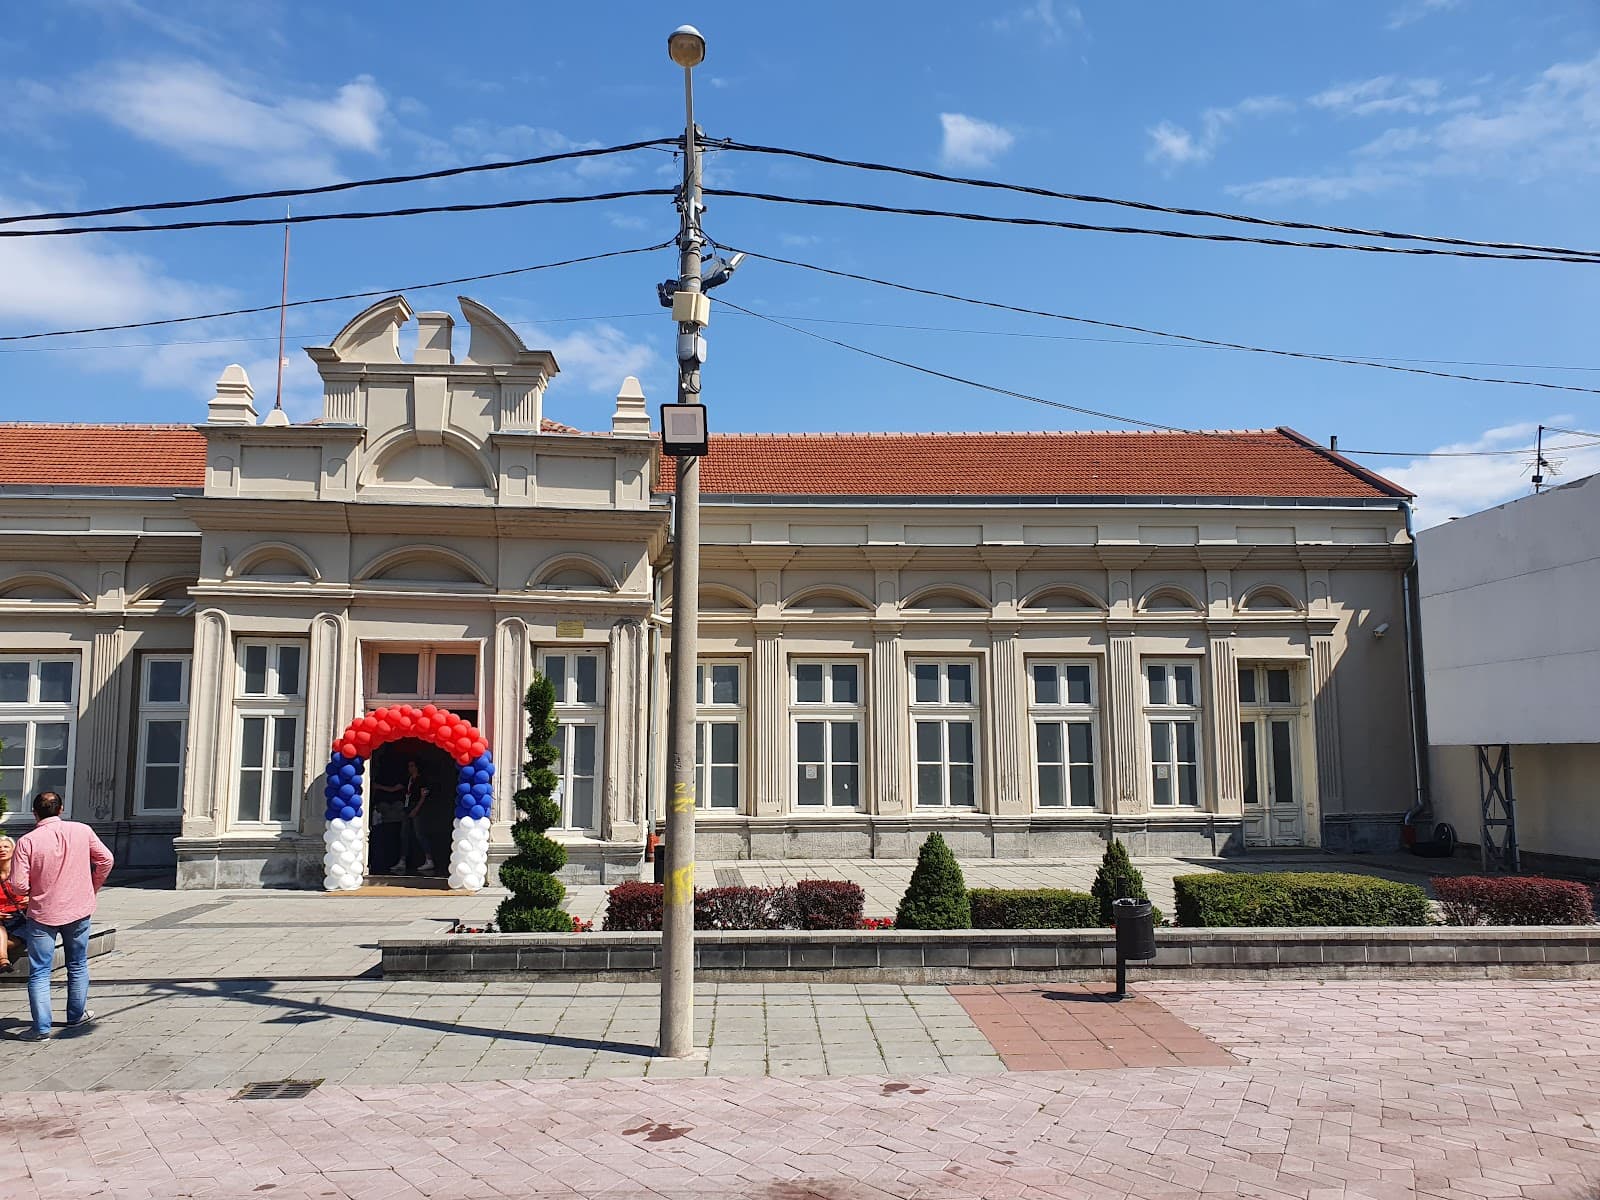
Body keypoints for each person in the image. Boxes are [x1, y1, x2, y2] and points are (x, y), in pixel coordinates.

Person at [11, 792, 113, 1040]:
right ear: (61, 809)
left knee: (40, 971)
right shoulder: (82, 830)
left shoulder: (27, 841)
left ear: (34, 813)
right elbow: (106, 860)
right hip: (78, 908)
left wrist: (31, 892)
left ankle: (41, 1028)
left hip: (43, 912)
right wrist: (93, 886)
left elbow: (18, 885)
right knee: (77, 963)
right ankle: (76, 1016)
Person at [396, 760, 436, 876]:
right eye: (409, 766)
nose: (410, 768)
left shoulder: (422, 779)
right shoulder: (409, 780)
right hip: (407, 806)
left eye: (412, 766)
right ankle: (402, 861)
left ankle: (429, 860)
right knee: (404, 834)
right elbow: (396, 788)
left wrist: (416, 809)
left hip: (417, 807)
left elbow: (423, 796)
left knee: (419, 833)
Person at [0, 835, 26, 971]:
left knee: (9, 941)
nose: (2, 850)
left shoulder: (22, 871)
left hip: (20, 916)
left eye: (6, 846)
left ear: (13, 850)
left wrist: (31, 899)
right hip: (1, 917)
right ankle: (3, 960)